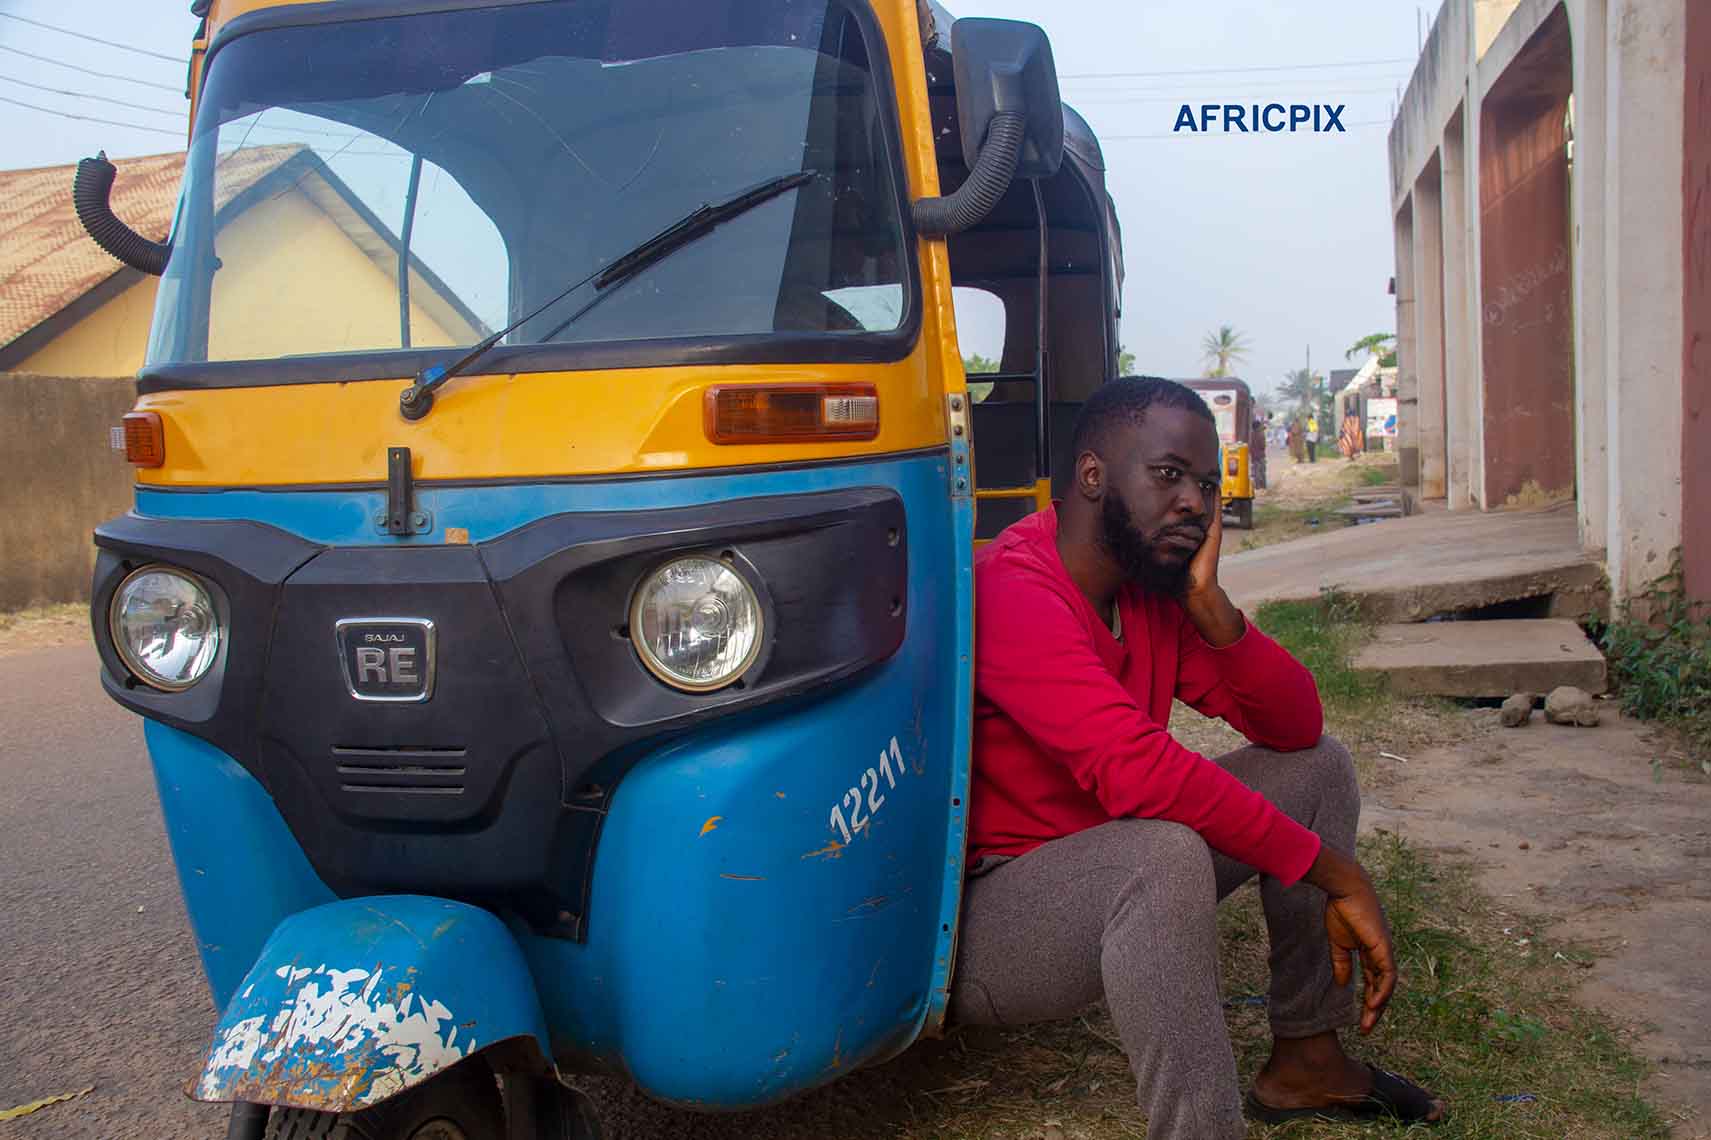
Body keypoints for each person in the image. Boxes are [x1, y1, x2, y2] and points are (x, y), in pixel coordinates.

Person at [949, 377, 1444, 1138]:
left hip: (1109, 870)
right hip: (998, 927)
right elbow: (1136, 770)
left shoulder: (1150, 592)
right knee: (1160, 852)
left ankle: (1306, 1062)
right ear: (1092, 476)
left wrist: (1213, 609)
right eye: (1168, 475)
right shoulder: (1011, 589)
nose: (1195, 502)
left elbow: (1293, 724)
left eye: (1207, 485)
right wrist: (1333, 872)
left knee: (1314, 770)